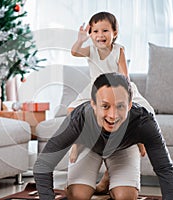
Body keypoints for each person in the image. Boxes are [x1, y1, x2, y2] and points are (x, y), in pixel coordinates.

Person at [33, 73, 173, 199]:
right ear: (93, 105)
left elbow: (165, 169)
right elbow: (43, 164)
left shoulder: (143, 121)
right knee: (78, 196)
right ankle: (102, 183)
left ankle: (110, 178)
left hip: (123, 148)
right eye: (105, 106)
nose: (113, 115)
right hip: (89, 147)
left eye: (120, 106)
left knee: (125, 197)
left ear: (129, 105)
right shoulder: (79, 119)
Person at [69, 12, 154, 191]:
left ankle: (140, 140)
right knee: (72, 110)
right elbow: (75, 52)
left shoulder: (118, 50)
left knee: (145, 110)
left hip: (118, 87)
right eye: (95, 31)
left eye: (105, 30)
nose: (100, 35)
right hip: (96, 89)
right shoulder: (90, 49)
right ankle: (77, 143)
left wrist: (122, 93)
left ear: (114, 32)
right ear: (91, 34)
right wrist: (80, 39)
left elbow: (124, 75)